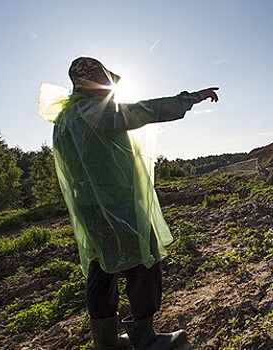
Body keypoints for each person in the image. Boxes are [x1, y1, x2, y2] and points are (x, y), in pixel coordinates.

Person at [52, 56, 218, 350]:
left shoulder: (65, 118)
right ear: (97, 82)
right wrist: (192, 97)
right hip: (117, 203)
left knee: (102, 268)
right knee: (143, 262)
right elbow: (148, 110)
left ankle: (106, 342)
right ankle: (146, 338)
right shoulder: (97, 112)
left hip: (90, 206)